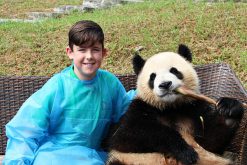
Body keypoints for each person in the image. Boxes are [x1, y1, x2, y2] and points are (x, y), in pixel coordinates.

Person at [3, 20, 136, 165]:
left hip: (91, 156)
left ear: (104, 53)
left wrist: (150, 93)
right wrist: (17, 161)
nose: (89, 56)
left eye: (95, 49)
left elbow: (126, 110)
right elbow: (25, 129)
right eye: (82, 50)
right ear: (70, 52)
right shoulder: (57, 86)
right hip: (54, 155)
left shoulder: (110, 83)